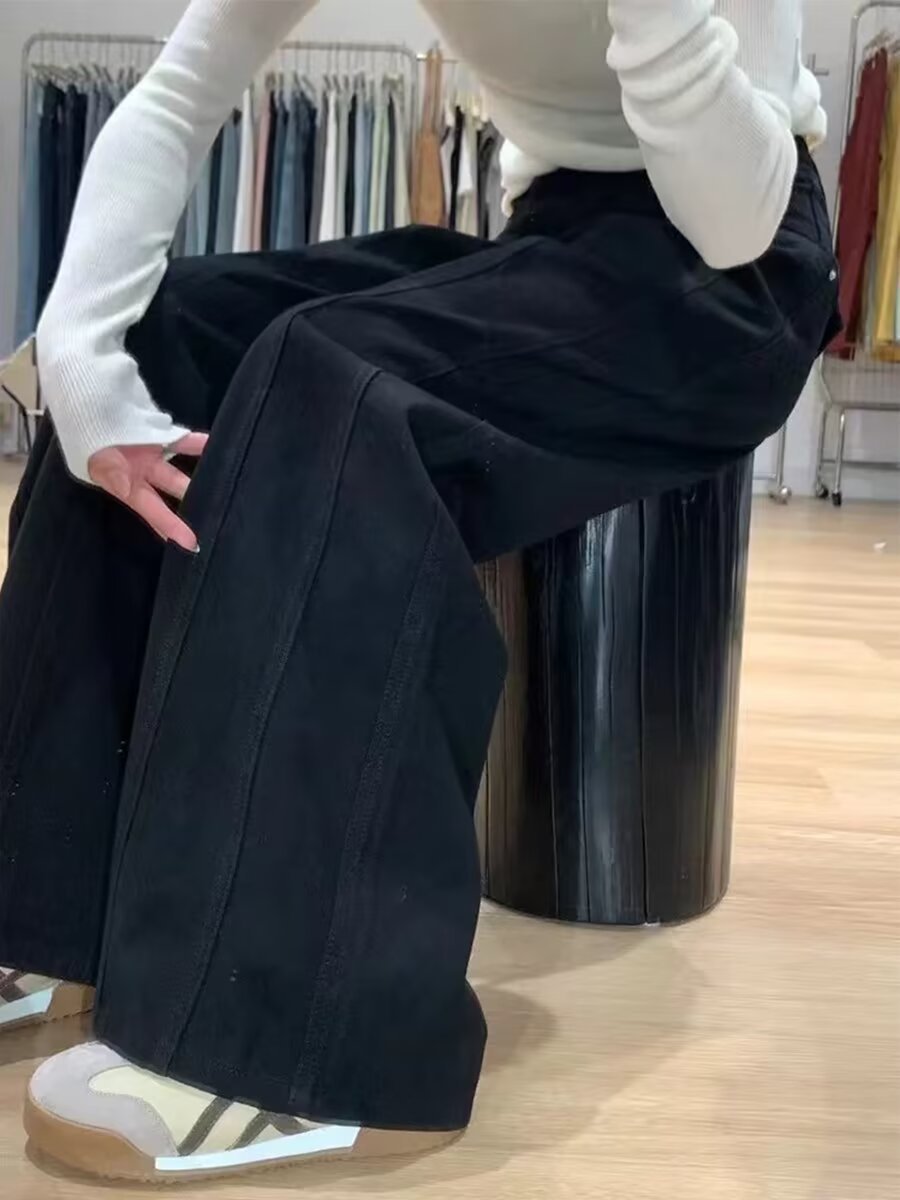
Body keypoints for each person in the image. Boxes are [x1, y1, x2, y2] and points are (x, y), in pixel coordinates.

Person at [0, 0, 839, 1183]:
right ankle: (45, 912)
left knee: (339, 383)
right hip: (554, 237)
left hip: (738, 270)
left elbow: (733, 213)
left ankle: (301, 1046)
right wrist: (83, 358)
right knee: (168, 333)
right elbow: (180, 95)